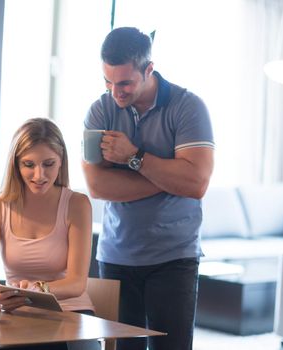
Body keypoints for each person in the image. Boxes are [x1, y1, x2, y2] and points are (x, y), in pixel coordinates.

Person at [82, 27, 215, 350]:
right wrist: (167, 175)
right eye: (108, 82)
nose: (116, 92)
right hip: (116, 257)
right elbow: (97, 186)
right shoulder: (100, 111)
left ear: (149, 69)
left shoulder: (189, 107)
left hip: (174, 259)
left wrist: (134, 157)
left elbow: (196, 184)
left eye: (125, 82)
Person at [0, 117, 98, 350]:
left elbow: (76, 284)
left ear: (61, 161)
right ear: (15, 164)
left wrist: (39, 289)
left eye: (49, 164)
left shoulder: (77, 204)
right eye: (29, 165)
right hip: (18, 313)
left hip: (71, 312)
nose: (39, 175)